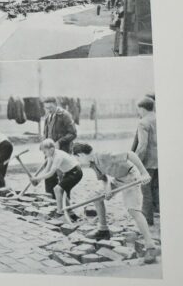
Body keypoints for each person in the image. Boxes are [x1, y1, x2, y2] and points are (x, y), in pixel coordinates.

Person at [72, 142, 158, 264]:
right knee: (97, 196)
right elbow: (104, 178)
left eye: (77, 159)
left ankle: (151, 246)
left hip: (131, 177)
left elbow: (130, 154)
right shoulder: (92, 164)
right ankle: (103, 229)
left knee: (133, 210)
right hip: (118, 180)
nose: (78, 162)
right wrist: (107, 190)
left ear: (80, 155)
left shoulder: (103, 155)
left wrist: (144, 173)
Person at [30, 139, 83, 220]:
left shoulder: (58, 156)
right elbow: (47, 170)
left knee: (57, 189)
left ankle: (59, 212)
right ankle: (71, 213)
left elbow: (51, 173)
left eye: (45, 152)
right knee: (62, 191)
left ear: (51, 149)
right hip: (68, 173)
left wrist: (37, 178)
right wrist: (38, 180)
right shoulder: (51, 155)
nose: (44, 154)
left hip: (76, 172)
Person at [42, 97, 77, 198]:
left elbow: (73, 133)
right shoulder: (47, 117)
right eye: (46, 107)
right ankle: (50, 197)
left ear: (56, 104)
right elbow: (46, 133)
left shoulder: (64, 115)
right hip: (49, 151)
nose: (48, 110)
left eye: (51, 107)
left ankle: (65, 200)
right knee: (48, 174)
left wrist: (59, 142)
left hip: (62, 151)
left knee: (62, 176)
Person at [133, 97, 159, 226]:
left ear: (142, 109)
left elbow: (142, 146)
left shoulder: (143, 122)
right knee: (156, 188)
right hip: (159, 160)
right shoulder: (159, 117)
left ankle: (147, 218)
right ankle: (157, 211)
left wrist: (135, 162)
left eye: (139, 109)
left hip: (148, 161)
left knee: (145, 189)